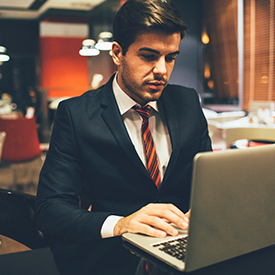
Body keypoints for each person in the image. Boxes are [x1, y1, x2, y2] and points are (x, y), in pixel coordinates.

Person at [35, 0, 212, 274]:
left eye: (170, 57)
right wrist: (120, 223)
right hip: (114, 257)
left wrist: (202, 212)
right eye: (149, 56)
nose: (162, 70)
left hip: (184, 251)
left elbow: (207, 185)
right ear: (118, 53)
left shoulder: (187, 102)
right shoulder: (76, 115)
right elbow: (50, 209)